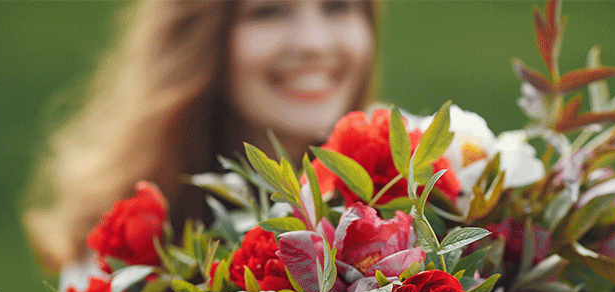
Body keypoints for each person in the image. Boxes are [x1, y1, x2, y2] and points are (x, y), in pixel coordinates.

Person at [23, 0, 377, 273]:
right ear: (195, 37)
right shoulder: (123, 246)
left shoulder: (420, 182)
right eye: (268, 11)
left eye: (338, 5)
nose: (313, 42)